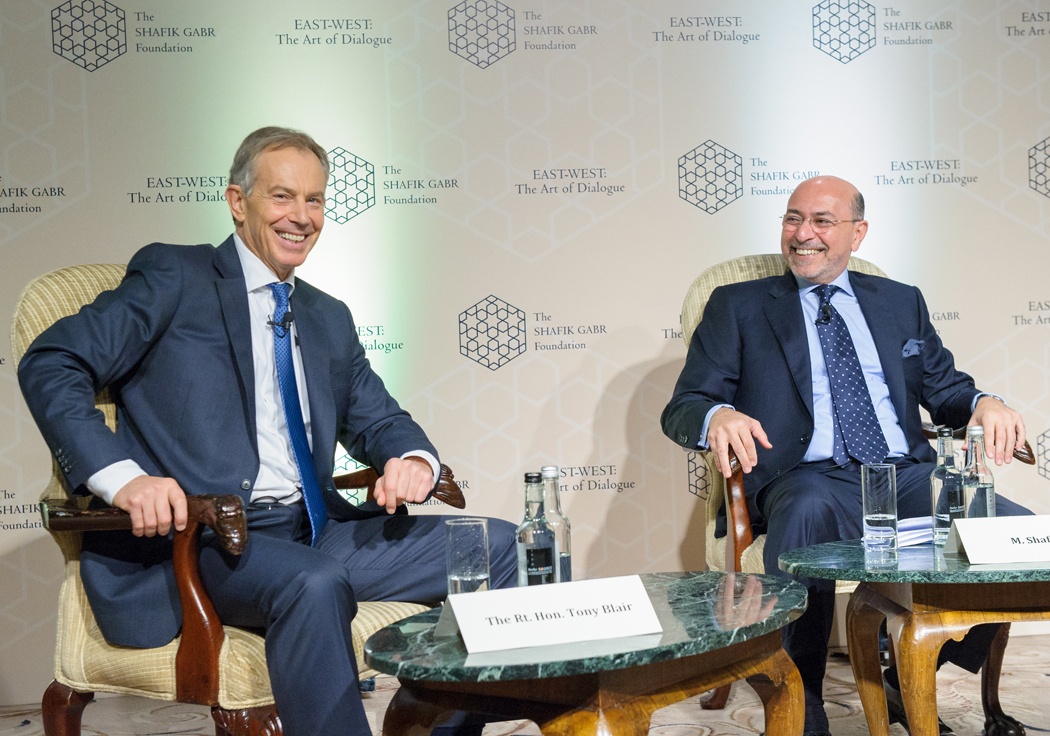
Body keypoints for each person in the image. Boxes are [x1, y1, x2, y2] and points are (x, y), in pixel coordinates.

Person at [18, 126, 517, 735]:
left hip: (317, 529)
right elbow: (52, 362)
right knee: (314, 582)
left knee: (503, 548)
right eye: (282, 196)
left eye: (314, 200)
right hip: (208, 540)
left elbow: (380, 418)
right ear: (238, 201)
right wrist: (122, 479)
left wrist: (411, 459)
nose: (301, 217)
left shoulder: (327, 315)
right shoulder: (176, 276)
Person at [661, 175, 1030, 736]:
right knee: (805, 511)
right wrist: (718, 416)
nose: (802, 233)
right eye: (793, 219)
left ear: (858, 233)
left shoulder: (900, 301)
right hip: (806, 477)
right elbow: (684, 405)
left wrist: (985, 402)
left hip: (903, 475)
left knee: (1014, 539)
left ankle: (913, 669)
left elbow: (946, 389)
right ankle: (801, 705)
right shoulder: (738, 305)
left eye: (822, 221)